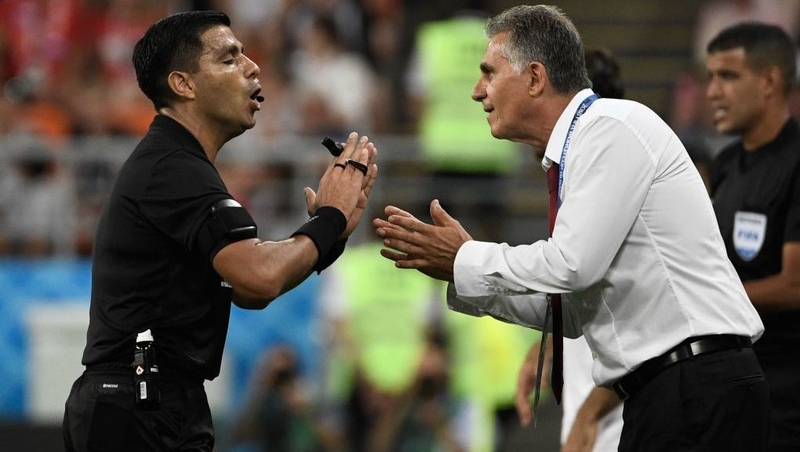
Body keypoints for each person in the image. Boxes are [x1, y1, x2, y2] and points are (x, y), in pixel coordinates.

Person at [373, 5, 768, 451]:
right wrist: (461, 276)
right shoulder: (581, 147)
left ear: (535, 78)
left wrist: (467, 256)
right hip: (670, 395)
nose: (476, 91)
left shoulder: (609, 128)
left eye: (488, 72)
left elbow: (572, 266)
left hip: (697, 390)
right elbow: (575, 311)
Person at [62, 10, 377, 452]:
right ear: (183, 84)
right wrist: (330, 220)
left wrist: (328, 234)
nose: (252, 66)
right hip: (138, 404)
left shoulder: (179, 164)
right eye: (229, 59)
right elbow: (259, 275)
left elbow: (249, 290)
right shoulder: (172, 168)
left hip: (152, 401)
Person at [515, 46, 625, 452]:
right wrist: (546, 343)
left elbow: (643, 325)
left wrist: (589, 413)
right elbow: (584, 293)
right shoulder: (573, 185)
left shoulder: (615, 191)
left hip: (624, 424)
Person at [706, 21, 800, 452]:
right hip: (733, 384)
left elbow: (794, 285)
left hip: (787, 395)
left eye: (728, 76)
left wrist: (710, 296)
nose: (712, 92)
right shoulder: (725, 164)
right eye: (710, 77)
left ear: (769, 81)